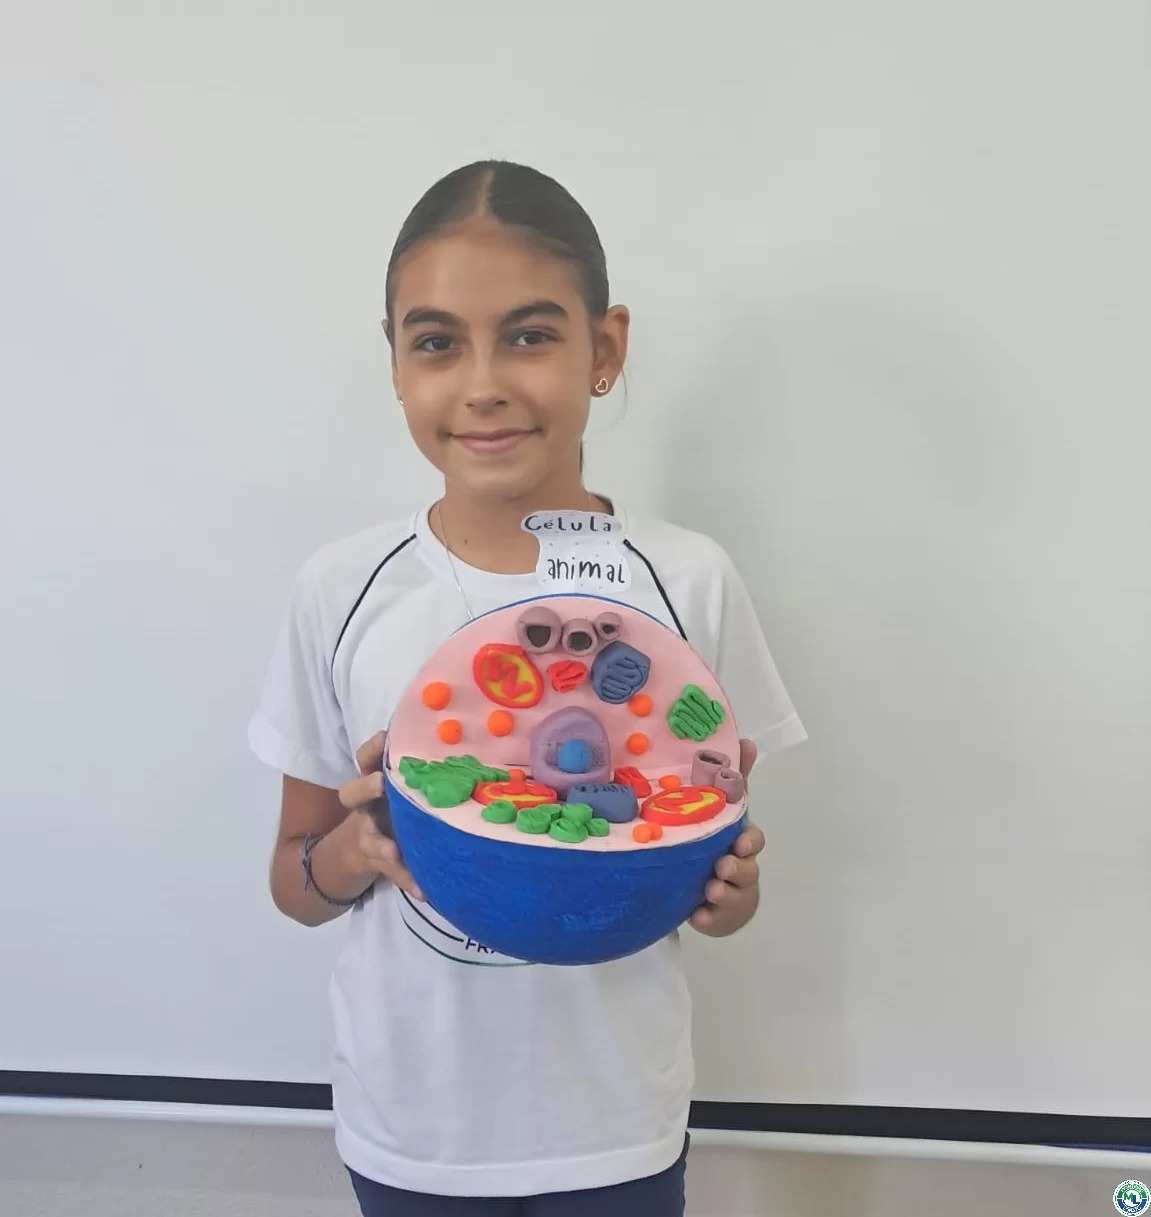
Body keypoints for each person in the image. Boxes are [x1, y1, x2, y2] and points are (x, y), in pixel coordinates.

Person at [249, 160, 806, 1216]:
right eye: (435, 342)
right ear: (395, 361)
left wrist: (729, 895)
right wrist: (361, 846)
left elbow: (708, 867)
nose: (482, 384)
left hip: (614, 1131)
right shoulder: (341, 586)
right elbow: (293, 879)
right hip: (413, 1132)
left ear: (604, 349)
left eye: (529, 334)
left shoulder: (686, 580)